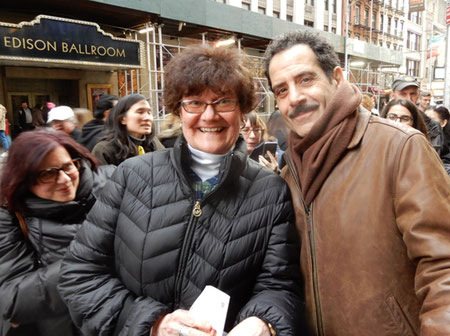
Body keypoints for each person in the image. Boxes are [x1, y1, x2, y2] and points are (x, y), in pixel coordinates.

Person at [59, 44, 303, 336]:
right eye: (195, 102)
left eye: (224, 101)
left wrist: (264, 323)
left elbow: (279, 286)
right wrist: (152, 324)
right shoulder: (132, 175)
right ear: (179, 109)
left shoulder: (270, 191)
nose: (209, 115)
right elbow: (80, 274)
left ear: (242, 110)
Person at [264, 30, 450, 335]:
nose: (295, 97)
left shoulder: (399, 148)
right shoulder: (289, 173)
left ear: (337, 78)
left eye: (306, 79)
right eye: (281, 90)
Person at [0, 130, 114, 336]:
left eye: (67, 166)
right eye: (47, 173)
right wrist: (102, 255)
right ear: (24, 180)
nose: (64, 179)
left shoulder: (114, 184)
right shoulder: (9, 215)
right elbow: (13, 299)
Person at [91, 94, 163, 166]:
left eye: (149, 113)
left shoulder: (153, 143)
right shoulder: (104, 150)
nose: (147, 118)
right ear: (123, 119)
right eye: (140, 112)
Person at [391, 76, 443, 152]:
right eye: (403, 94)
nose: (408, 98)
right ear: (393, 96)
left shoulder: (432, 126)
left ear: (418, 95)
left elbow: (442, 158)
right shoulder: (381, 124)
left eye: (412, 94)